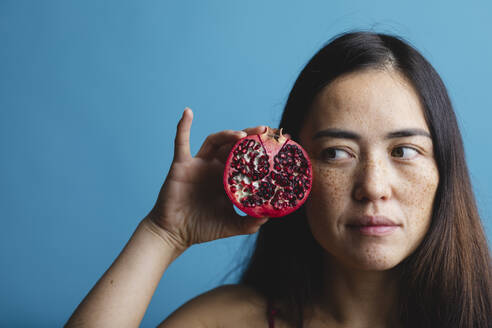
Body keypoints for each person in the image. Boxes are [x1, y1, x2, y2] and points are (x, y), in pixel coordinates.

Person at [65, 31, 492, 328]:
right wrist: (162, 235)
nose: (374, 187)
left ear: (445, 170)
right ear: (295, 172)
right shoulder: (222, 321)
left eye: (403, 151)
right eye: (335, 153)